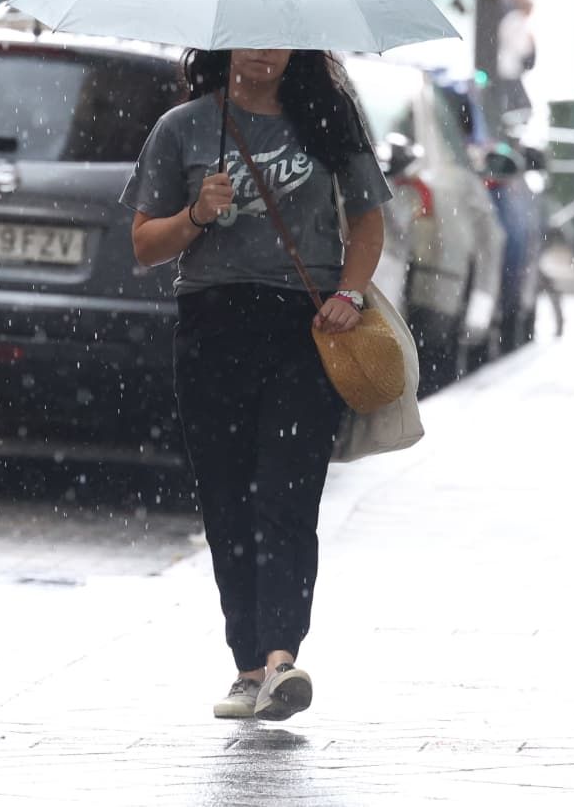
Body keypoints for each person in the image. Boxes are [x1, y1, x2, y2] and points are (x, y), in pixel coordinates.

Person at [121, 48, 391, 721]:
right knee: (227, 501)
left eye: (279, 36)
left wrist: (350, 295)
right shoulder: (183, 128)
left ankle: (280, 659)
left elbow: (367, 219)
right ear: (227, 43)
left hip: (302, 329)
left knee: (287, 496)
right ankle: (246, 666)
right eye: (252, 34)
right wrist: (196, 217)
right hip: (211, 329)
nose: (265, 49)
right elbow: (144, 245)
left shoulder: (328, 121)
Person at [494, 0, 537, 123]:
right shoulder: (513, 18)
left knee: (515, 104)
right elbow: (520, 45)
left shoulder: (513, 17)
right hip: (510, 66)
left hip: (510, 65)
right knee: (518, 106)